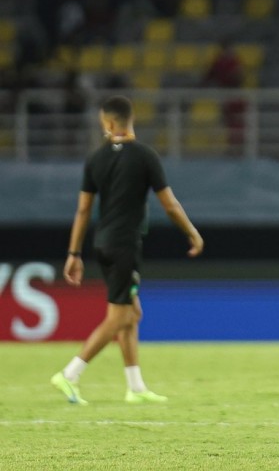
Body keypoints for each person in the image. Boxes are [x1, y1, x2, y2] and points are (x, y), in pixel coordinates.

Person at [51, 95, 204, 405]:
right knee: (119, 317)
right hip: (125, 244)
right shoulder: (145, 156)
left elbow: (82, 211)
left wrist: (74, 253)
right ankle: (70, 374)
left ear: (107, 123)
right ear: (129, 120)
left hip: (102, 243)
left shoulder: (96, 158)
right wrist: (192, 233)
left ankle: (135, 387)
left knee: (132, 313)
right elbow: (170, 204)